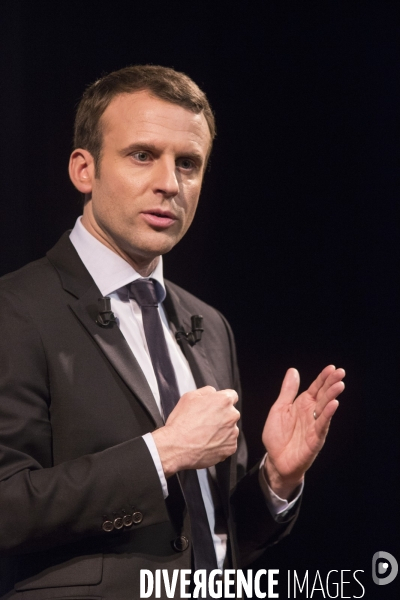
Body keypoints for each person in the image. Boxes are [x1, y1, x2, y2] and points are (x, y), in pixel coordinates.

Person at [0, 65, 345, 599]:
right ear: (83, 169)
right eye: (143, 155)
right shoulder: (17, 310)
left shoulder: (208, 325)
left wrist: (276, 481)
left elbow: (215, 537)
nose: (169, 183)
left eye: (188, 164)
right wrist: (160, 454)